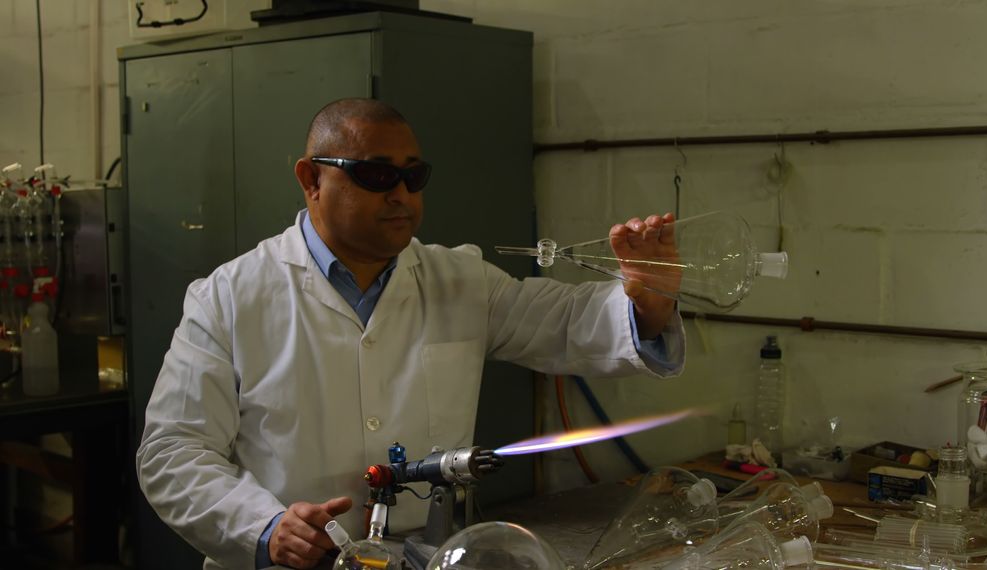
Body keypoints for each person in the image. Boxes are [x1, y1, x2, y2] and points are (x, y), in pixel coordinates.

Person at [136, 98, 686, 570]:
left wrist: (646, 295)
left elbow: (570, 322)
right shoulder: (229, 298)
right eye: (376, 175)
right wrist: (265, 527)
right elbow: (173, 452)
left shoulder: (461, 281)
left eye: (413, 175)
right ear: (312, 179)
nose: (401, 193)